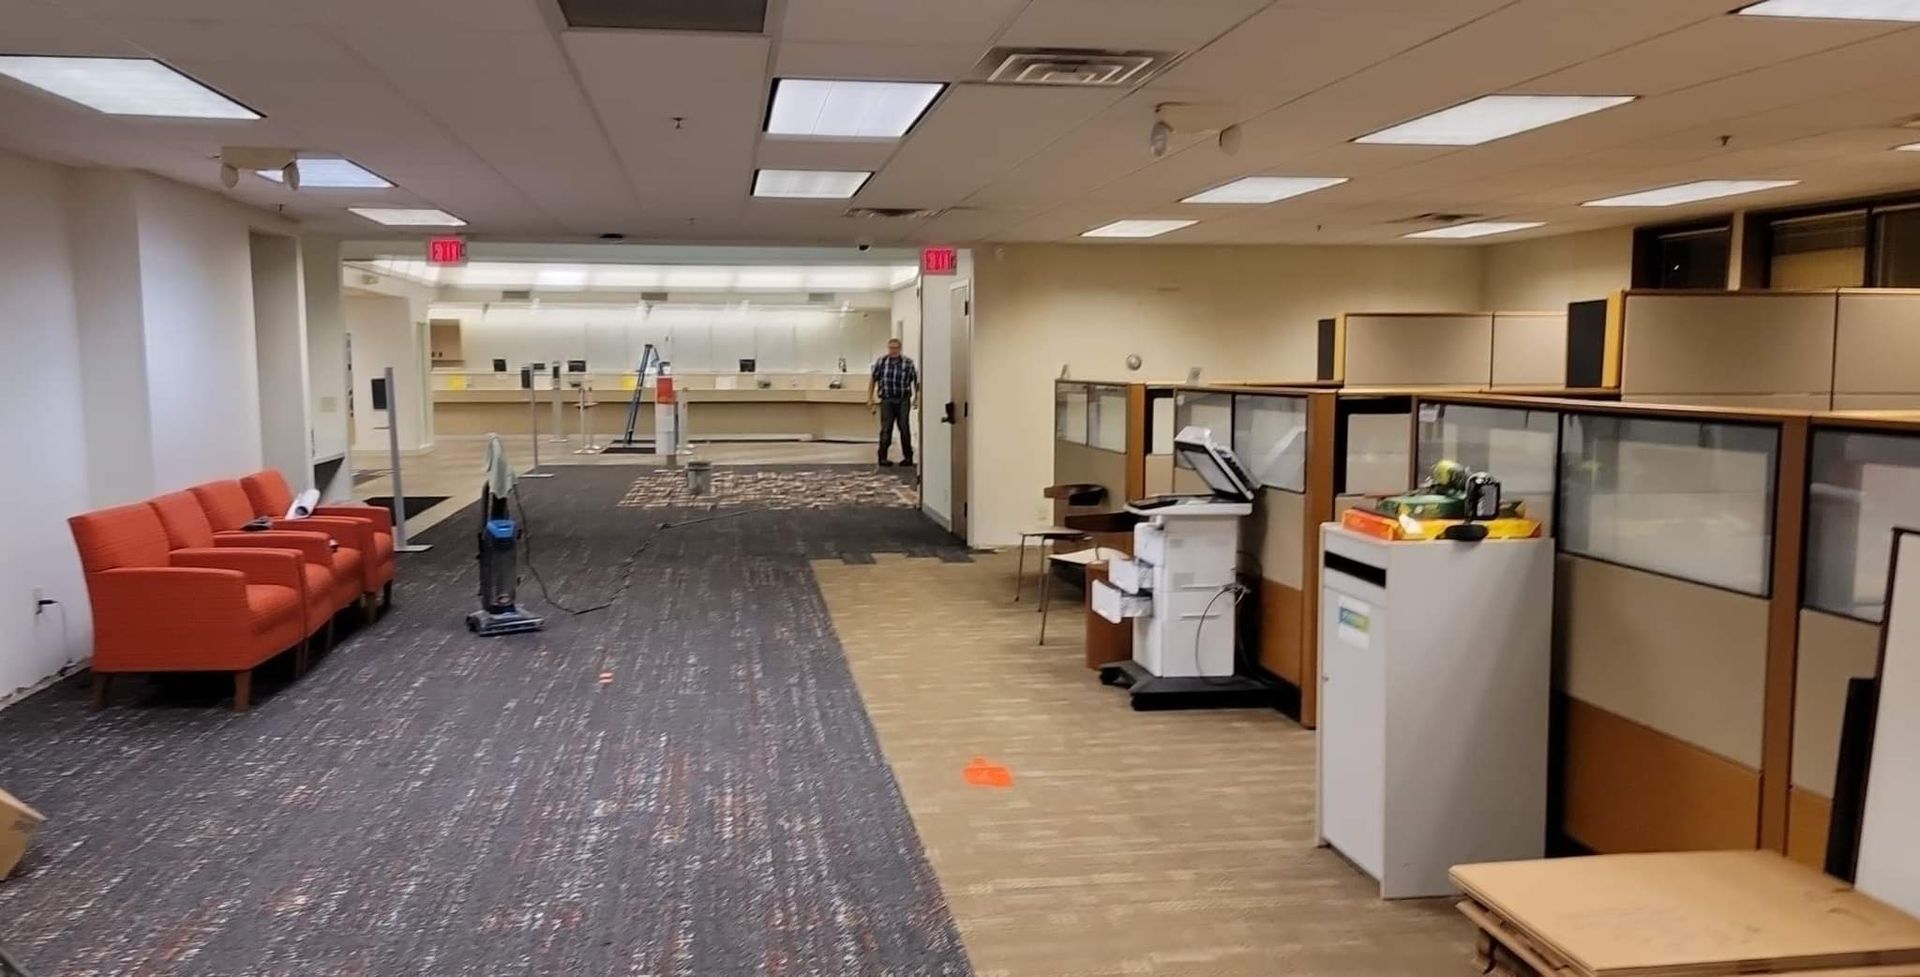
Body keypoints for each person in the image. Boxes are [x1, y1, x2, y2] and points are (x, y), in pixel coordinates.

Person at [867, 338, 919, 467]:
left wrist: (917, 398)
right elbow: (873, 380)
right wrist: (870, 398)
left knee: (904, 428)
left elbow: (915, 382)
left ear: (900, 349)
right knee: (886, 429)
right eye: (891, 348)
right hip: (887, 400)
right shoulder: (881, 362)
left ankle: (908, 458)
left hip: (903, 399)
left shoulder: (908, 363)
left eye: (895, 348)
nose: (893, 350)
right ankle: (882, 457)